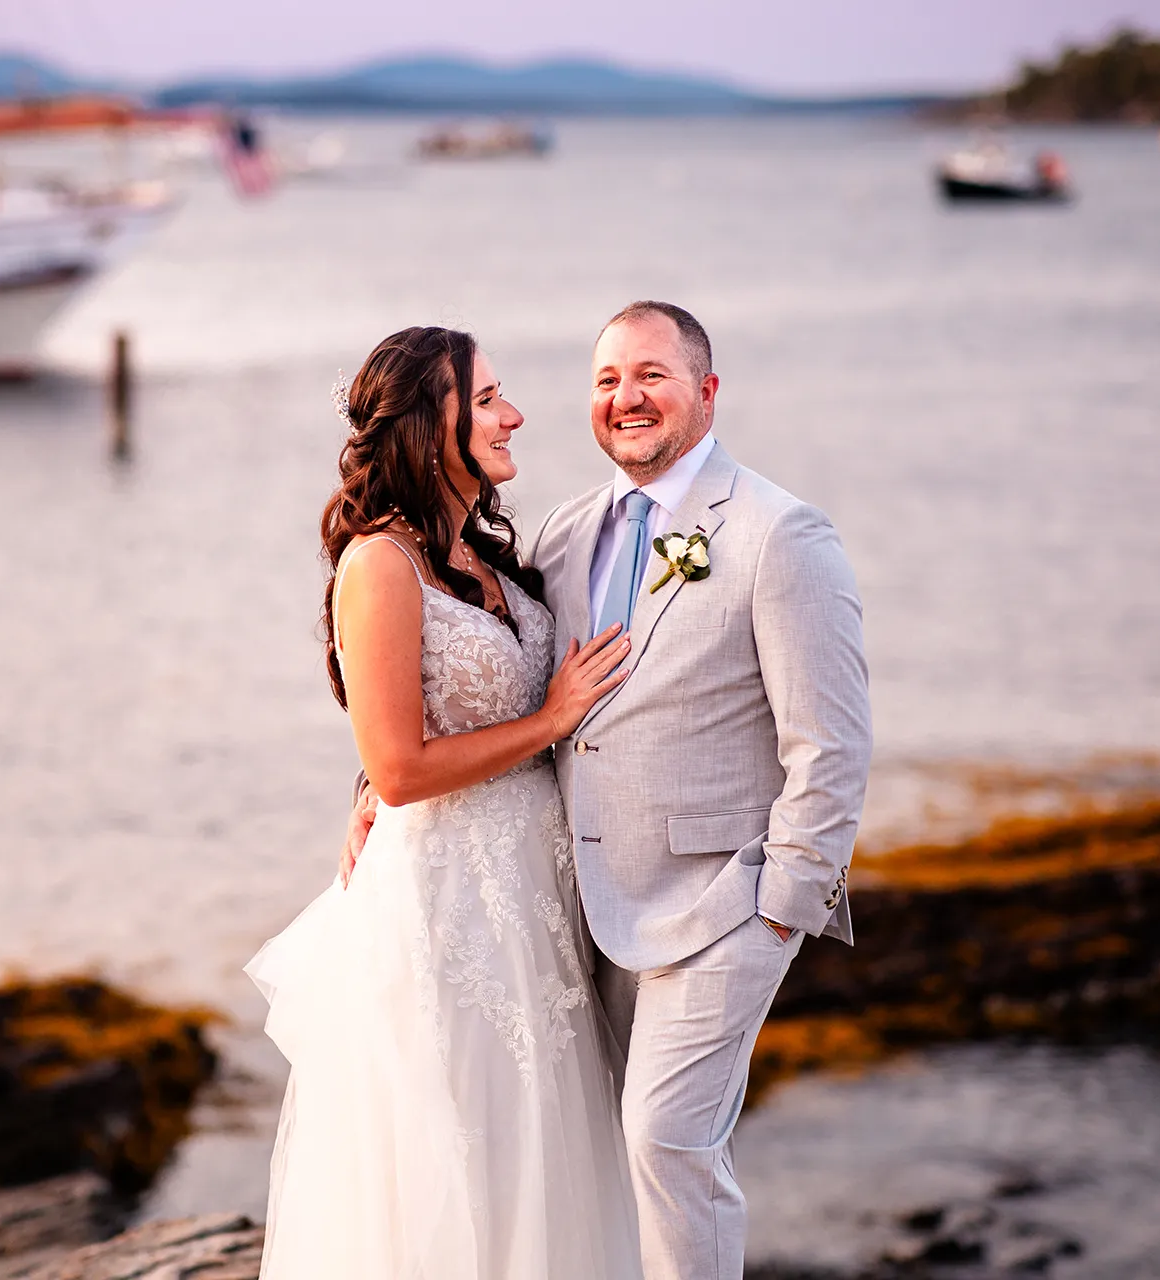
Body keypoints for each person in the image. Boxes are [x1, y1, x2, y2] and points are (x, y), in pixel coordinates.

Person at [339, 302, 872, 1279]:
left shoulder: (778, 534)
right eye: (605, 380)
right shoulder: (560, 535)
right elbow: (463, 676)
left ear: (706, 392)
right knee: (587, 1157)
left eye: (652, 376)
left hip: (723, 902)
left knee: (667, 1137)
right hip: (576, 913)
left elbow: (831, 747)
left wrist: (784, 911)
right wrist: (374, 779)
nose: (625, 397)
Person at [248, 326, 646, 1279]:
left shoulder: (485, 554)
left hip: (533, 900)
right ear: (434, 425)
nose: (514, 415)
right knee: (459, 1159)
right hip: (447, 909)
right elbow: (398, 768)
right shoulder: (379, 565)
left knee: (546, 1149)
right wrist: (552, 720)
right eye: (489, 398)